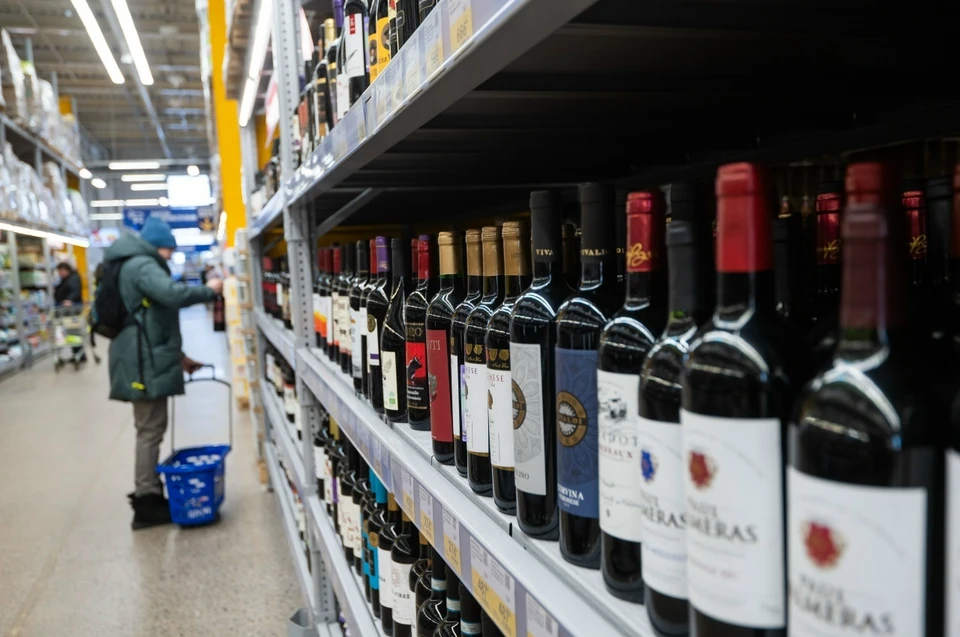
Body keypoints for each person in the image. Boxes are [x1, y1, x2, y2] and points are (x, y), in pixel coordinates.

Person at [104, 217, 223, 530]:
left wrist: (179, 358)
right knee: (149, 429)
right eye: (169, 249)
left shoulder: (135, 263)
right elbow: (172, 295)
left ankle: (150, 492)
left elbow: (152, 320)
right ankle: (146, 501)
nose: (170, 256)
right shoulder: (142, 265)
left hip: (142, 356)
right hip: (141, 363)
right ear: (159, 245)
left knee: (151, 427)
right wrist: (209, 290)